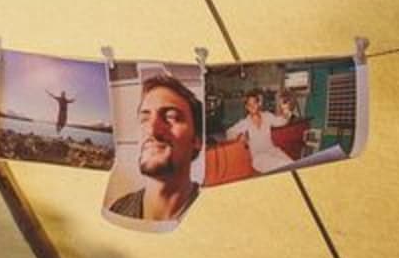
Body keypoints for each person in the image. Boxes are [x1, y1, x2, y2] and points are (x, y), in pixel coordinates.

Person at [108, 74, 203, 222]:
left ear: (197, 140)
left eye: (171, 117)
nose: (152, 130)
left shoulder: (211, 211)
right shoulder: (118, 210)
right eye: (144, 119)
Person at [225, 89, 294, 175]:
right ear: (246, 107)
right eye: (249, 104)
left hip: (273, 151)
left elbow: (281, 122)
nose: (252, 106)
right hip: (259, 158)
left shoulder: (267, 116)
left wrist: (286, 112)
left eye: (254, 103)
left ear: (259, 104)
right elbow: (229, 133)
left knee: (293, 165)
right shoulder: (244, 122)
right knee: (283, 166)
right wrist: (239, 136)